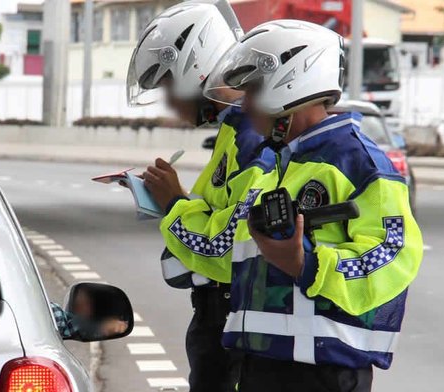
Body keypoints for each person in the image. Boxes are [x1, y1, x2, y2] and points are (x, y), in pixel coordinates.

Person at [165, 20, 422, 391]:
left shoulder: (357, 161)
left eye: (252, 90)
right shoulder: (279, 169)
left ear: (289, 83)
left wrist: (307, 265)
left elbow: (394, 252)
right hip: (262, 365)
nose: (246, 104)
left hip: (321, 373)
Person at [127, 2, 274, 391]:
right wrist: (176, 198)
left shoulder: (252, 138)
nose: (170, 104)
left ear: (197, 71)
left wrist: (174, 203)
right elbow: (222, 212)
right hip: (223, 324)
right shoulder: (233, 132)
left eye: (169, 87)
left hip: (235, 328)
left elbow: (227, 246)